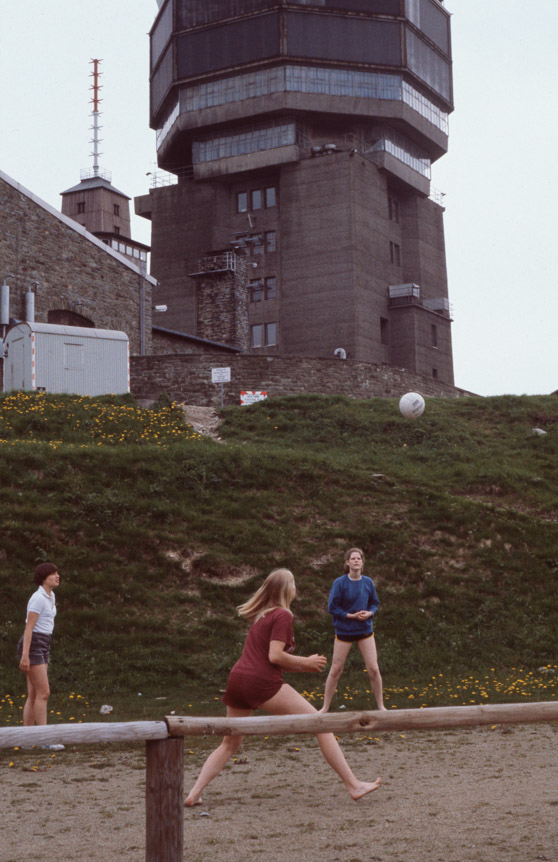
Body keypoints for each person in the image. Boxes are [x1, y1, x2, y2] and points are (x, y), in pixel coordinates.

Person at [185, 568, 381, 806]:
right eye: (294, 584)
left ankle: (194, 794)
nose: (296, 588)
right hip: (260, 682)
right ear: (287, 590)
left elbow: (268, 660)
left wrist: (304, 667)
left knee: (230, 743)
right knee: (321, 725)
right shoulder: (283, 615)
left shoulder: (262, 616)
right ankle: (354, 785)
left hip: (237, 680)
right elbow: (275, 656)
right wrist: (306, 662)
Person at [319, 548, 386, 714]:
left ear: (362, 562)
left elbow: (374, 603)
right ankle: (325, 707)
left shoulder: (368, 582)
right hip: (344, 631)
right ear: (347, 562)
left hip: (365, 630)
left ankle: (381, 706)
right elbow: (332, 607)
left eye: (359, 558)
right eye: (353, 558)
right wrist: (351, 616)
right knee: (335, 670)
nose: (356, 561)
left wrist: (369, 613)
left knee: (373, 669)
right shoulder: (339, 583)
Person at [17, 562, 64, 750]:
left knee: (34, 694)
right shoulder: (37, 598)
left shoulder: (50, 596)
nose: (57, 576)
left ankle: (26, 740)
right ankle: (44, 739)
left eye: (57, 573)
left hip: (44, 644)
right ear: (44, 578)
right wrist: (25, 656)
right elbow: (29, 628)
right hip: (34, 644)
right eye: (53, 574)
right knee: (44, 693)